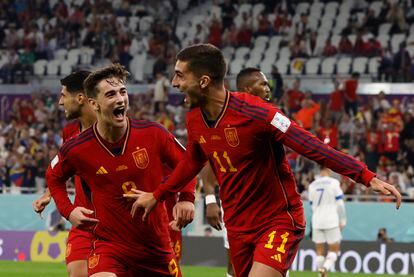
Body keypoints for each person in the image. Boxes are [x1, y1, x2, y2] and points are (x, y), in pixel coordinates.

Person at [131, 44, 401, 277]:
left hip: (277, 220)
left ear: (203, 81)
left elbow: (311, 146)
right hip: (237, 225)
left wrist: (365, 176)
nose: (174, 83)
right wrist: (158, 195)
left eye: (180, 75)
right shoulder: (194, 119)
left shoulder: (257, 113)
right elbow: (192, 162)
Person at [46, 64, 195, 276]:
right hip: (110, 247)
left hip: (155, 247)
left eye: (122, 92)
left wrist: (186, 197)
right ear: (93, 104)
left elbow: (188, 163)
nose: (120, 99)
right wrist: (68, 211)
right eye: (110, 94)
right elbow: (54, 176)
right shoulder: (76, 147)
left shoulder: (153, 133)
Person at [203, 67, 271, 277]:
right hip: (236, 211)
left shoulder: (270, 117)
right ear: (247, 89)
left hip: (270, 213)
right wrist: (210, 200)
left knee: (274, 268)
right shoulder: (224, 122)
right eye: (263, 84)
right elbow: (209, 163)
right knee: (234, 268)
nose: (268, 89)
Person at [33, 70, 96, 277]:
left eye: (63, 95)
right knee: (76, 272)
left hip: (117, 222)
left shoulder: (115, 129)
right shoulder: (69, 132)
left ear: (80, 98)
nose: (60, 103)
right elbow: (60, 171)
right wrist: (49, 195)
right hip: (82, 219)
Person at [308, 167, 346, 277]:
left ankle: (321, 274)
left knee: (319, 252)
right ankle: (325, 268)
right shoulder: (334, 183)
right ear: (329, 170)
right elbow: (340, 204)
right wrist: (343, 220)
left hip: (317, 220)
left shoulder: (312, 185)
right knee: (334, 250)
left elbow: (312, 206)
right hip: (331, 220)